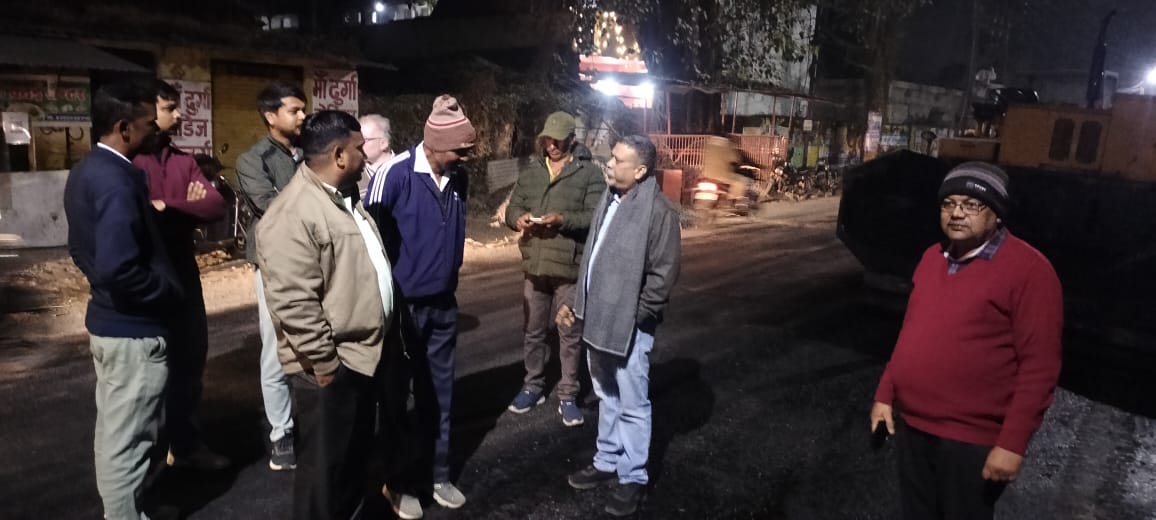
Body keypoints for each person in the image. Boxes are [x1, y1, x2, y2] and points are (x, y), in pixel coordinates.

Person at [869, 162, 1063, 520]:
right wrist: (885, 394)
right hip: (914, 426)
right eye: (949, 203)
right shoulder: (931, 258)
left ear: (998, 214)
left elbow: (1040, 366)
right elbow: (910, 331)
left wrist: (1012, 443)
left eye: (972, 204)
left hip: (970, 440)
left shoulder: (1030, 271)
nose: (957, 213)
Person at [256, 110, 401, 520]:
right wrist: (325, 366)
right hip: (333, 367)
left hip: (361, 357)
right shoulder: (293, 213)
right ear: (339, 155)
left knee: (351, 463)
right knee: (324, 474)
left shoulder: (342, 197)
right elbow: (294, 303)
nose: (365, 156)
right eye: (359, 148)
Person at [63, 81, 183, 520]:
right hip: (132, 332)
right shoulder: (115, 181)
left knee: (125, 432)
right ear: (124, 127)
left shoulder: (88, 170)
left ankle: (137, 508)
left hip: (114, 323)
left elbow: (81, 251)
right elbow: (117, 268)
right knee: (127, 441)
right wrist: (164, 291)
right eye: (149, 123)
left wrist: (107, 286)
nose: (156, 129)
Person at [557, 135, 682, 517]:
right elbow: (593, 258)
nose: (608, 164)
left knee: (632, 404)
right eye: (610, 157)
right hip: (598, 320)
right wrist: (577, 302)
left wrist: (636, 316)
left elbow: (662, 276)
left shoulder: (658, 212)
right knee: (607, 394)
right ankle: (607, 460)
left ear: (640, 171)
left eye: (617, 159)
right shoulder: (609, 199)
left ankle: (633, 476)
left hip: (630, 327)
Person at [364, 94, 475, 513]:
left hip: (443, 305)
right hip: (402, 310)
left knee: (439, 394)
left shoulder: (458, 177)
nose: (465, 157)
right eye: (460, 149)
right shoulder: (393, 175)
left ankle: (438, 473)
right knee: (396, 399)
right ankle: (397, 481)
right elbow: (371, 246)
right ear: (435, 143)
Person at [132, 79, 229, 471]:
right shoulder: (128, 163)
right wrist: (185, 205)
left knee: (190, 359)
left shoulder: (183, 160)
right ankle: (150, 458)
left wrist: (166, 205)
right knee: (149, 372)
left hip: (183, 273)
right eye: (169, 107)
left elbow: (214, 205)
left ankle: (185, 445)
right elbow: (137, 213)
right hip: (145, 275)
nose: (179, 114)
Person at [504, 111, 605, 426]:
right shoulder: (532, 171)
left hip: (568, 271)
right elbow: (513, 207)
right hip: (535, 267)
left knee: (569, 334)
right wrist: (517, 218)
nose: (552, 146)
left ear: (571, 140)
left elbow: (595, 216)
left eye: (558, 140)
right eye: (548, 139)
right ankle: (532, 386)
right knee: (533, 332)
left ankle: (568, 395)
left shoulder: (589, 174)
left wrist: (563, 219)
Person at [235, 81, 308, 471]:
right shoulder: (253, 160)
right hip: (276, 264)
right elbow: (271, 206)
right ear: (270, 116)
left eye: (303, 109)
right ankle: (282, 432)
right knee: (277, 349)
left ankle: (317, 419)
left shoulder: (312, 152)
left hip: (317, 260)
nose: (302, 116)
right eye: (294, 110)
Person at [356, 113, 394, 199]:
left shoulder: (408, 170)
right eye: (357, 140)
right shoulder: (354, 176)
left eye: (364, 140)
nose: (359, 144)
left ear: (384, 143)